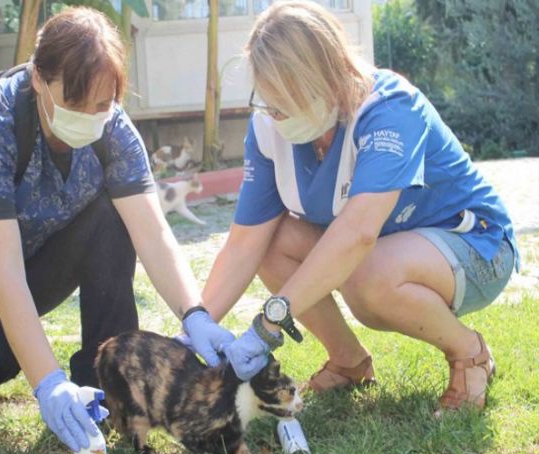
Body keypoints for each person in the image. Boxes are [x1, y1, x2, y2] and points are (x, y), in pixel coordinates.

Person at [0, 7, 234, 450]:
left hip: (30, 258)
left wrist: (195, 315)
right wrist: (48, 383)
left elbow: (152, 233)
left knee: (113, 214)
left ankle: (102, 391)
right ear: (39, 78)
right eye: (76, 102)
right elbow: (3, 274)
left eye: (103, 102)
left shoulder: (113, 127)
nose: (91, 115)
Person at [201, 1, 518, 412]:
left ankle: (469, 351)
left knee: (366, 272)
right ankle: (349, 362)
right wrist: (194, 329)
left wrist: (267, 325)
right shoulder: (269, 127)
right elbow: (244, 244)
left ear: (327, 75)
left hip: (476, 246)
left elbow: (357, 235)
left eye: (287, 97)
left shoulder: (390, 108)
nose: (276, 112)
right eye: (269, 97)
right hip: (391, 249)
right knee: (274, 239)